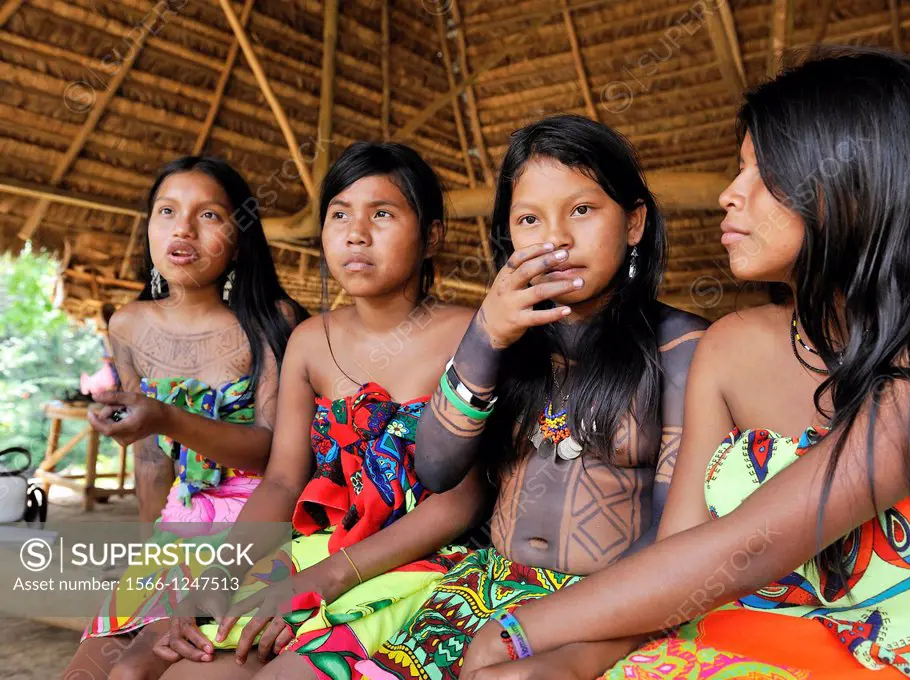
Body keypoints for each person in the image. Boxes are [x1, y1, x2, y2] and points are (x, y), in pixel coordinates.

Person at [454, 48, 910, 680]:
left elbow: (751, 545)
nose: (729, 194)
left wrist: (525, 628)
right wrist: (570, 663)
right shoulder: (730, 348)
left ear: (857, 184)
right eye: (738, 169)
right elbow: (680, 562)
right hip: (747, 639)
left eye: (763, 173)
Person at [357, 114, 708, 680]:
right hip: (483, 587)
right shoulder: (501, 344)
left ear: (635, 221)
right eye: (529, 219)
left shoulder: (683, 348)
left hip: (613, 605)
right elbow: (437, 469)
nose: (556, 239)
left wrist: (559, 632)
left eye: (583, 210)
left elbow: (679, 534)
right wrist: (486, 335)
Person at [152, 142, 489, 680]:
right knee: (190, 672)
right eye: (339, 215)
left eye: (382, 213)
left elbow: (462, 503)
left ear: (432, 237)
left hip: (426, 564)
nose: (356, 233)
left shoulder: (474, 335)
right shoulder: (309, 341)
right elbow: (283, 482)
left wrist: (327, 580)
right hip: (319, 550)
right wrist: (215, 582)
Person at [64, 156, 307, 679]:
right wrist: (147, 550)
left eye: (209, 215)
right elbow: (151, 461)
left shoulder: (270, 321)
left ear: (240, 237)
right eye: (166, 211)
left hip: (254, 525)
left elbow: (271, 451)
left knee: (133, 672)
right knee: (85, 672)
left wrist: (165, 418)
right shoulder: (129, 324)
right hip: (178, 524)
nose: (183, 228)